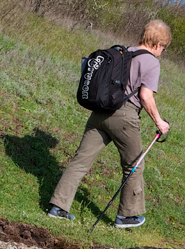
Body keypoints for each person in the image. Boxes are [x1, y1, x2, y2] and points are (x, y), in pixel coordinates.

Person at [47, 20, 172, 228]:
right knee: (134, 164)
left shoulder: (124, 53)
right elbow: (145, 96)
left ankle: (58, 207)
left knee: (80, 161)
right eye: (164, 48)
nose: (162, 52)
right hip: (124, 117)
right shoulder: (151, 62)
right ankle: (126, 216)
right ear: (158, 44)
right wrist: (160, 122)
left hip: (99, 113)